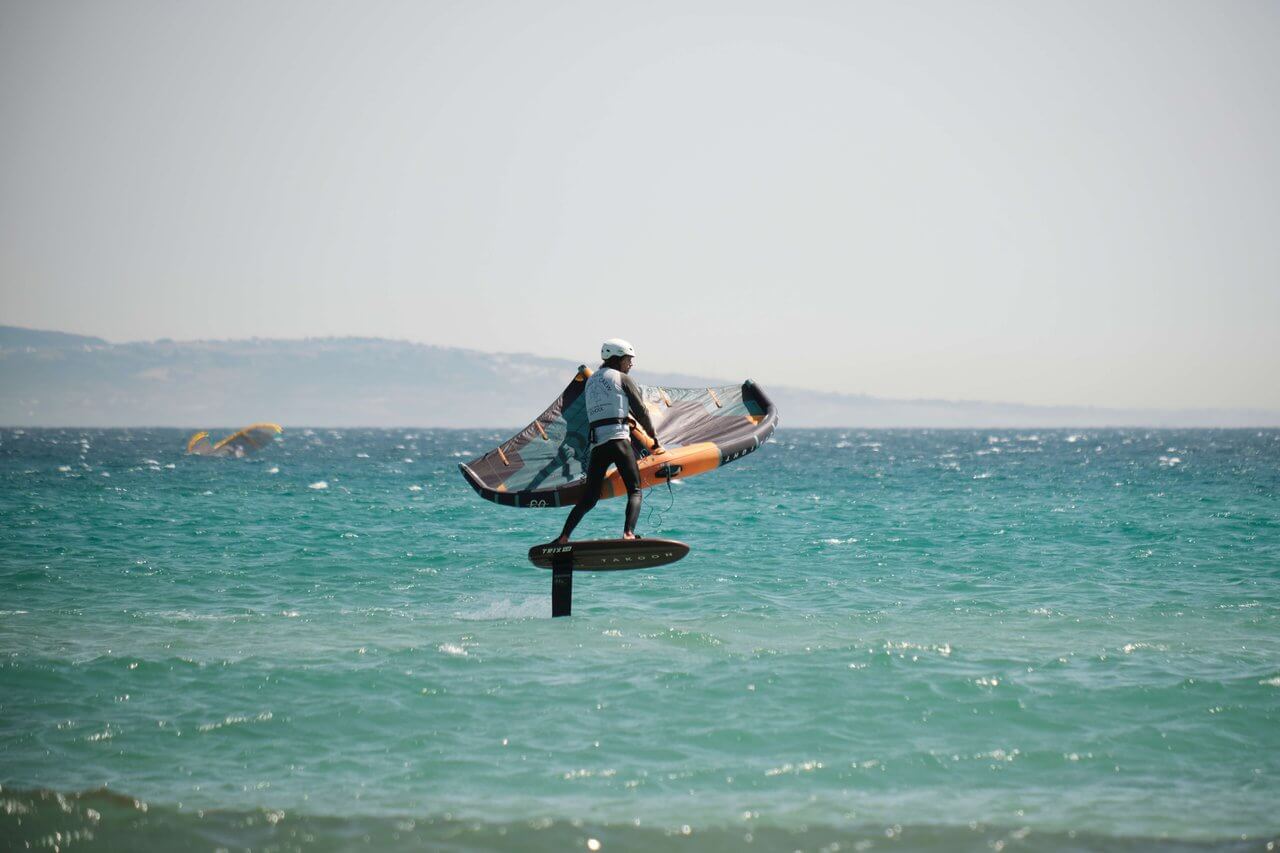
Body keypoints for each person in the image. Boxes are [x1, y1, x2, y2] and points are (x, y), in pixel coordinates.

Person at [552, 338, 660, 544]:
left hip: (598, 447)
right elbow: (642, 412)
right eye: (628, 359)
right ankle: (628, 533)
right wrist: (653, 435)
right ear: (617, 359)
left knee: (589, 498)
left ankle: (563, 537)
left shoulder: (591, 382)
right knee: (635, 490)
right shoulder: (622, 379)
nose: (631, 364)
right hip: (619, 442)